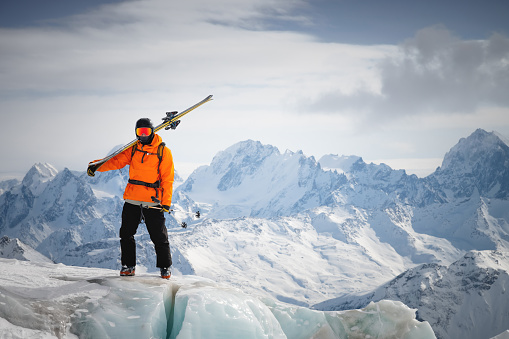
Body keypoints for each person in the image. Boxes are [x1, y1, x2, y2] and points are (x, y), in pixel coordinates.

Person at [89, 118, 174, 279]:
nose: (142, 136)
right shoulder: (133, 149)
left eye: (146, 132)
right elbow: (116, 161)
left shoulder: (163, 151)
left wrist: (166, 202)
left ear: (152, 131)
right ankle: (128, 266)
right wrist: (96, 165)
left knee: (159, 236)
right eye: (139, 132)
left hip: (152, 200)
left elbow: (167, 179)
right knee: (126, 233)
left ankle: (165, 267)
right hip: (133, 198)